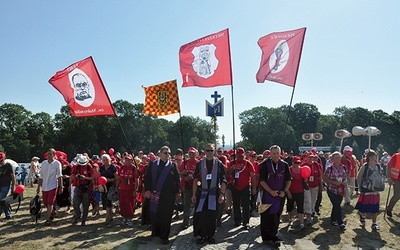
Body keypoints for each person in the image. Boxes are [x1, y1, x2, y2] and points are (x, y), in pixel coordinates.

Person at [191, 143, 227, 244]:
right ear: (204, 151)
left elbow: (224, 180)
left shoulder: (219, 164)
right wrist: (193, 194)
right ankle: (201, 235)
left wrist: (222, 194)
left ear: (214, 151)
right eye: (207, 150)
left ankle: (210, 235)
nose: (209, 153)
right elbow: (195, 179)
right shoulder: (200, 164)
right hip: (202, 192)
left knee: (212, 215)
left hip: (214, 193)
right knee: (201, 214)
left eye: (211, 150)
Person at [144, 146, 180, 245]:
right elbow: (147, 178)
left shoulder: (173, 165)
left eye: (169, 153)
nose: (167, 155)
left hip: (168, 195)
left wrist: (178, 191)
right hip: (155, 193)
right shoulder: (153, 164)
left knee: (166, 215)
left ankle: (164, 236)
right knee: (155, 213)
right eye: (165, 153)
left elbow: (177, 180)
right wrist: (147, 190)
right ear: (160, 154)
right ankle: (156, 231)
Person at [258, 145, 291, 245]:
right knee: (266, 215)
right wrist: (270, 191)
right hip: (268, 195)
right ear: (270, 154)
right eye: (273, 153)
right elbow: (262, 181)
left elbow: (288, 180)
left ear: (280, 153)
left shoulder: (284, 165)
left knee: (276, 215)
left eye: (277, 153)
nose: (275, 155)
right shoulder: (265, 164)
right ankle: (266, 237)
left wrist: (284, 191)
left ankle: (274, 235)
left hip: (280, 195)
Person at [226, 147, 256, 230]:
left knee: (246, 204)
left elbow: (253, 176)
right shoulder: (232, 163)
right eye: (239, 156)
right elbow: (227, 175)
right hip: (235, 186)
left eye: (241, 155)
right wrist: (232, 169)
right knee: (236, 204)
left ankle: (246, 222)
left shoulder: (248, 163)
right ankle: (237, 220)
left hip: (245, 186)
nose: (240, 157)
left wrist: (254, 188)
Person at [355, 150, 382, 230]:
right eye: (372, 156)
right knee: (365, 206)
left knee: (375, 207)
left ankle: (374, 223)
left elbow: (380, 177)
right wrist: (360, 187)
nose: (374, 157)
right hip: (366, 189)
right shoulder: (365, 166)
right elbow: (359, 176)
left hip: (375, 190)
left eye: (375, 156)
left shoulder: (378, 166)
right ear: (369, 157)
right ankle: (363, 216)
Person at [37, 148, 63, 226]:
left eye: (50, 154)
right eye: (48, 154)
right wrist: (38, 186)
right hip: (45, 186)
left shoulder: (57, 164)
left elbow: (59, 176)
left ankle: (48, 220)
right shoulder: (44, 163)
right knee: (45, 202)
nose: (48, 156)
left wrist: (61, 186)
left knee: (49, 203)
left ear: (54, 155)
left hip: (53, 185)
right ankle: (53, 211)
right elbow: (41, 176)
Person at [322, 151, 347, 229]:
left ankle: (333, 220)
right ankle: (340, 222)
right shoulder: (330, 168)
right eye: (336, 157)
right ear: (332, 159)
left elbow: (345, 177)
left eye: (339, 157)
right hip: (331, 189)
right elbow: (324, 178)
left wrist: (344, 182)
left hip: (340, 190)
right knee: (337, 205)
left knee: (336, 205)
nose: (338, 159)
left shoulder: (343, 167)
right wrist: (334, 182)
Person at [115, 154, 139, 227]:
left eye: (129, 160)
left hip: (130, 190)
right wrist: (116, 187)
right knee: (122, 204)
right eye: (126, 159)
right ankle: (124, 217)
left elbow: (136, 179)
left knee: (130, 204)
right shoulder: (121, 168)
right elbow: (119, 178)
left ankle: (130, 218)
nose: (127, 161)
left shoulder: (134, 168)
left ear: (132, 160)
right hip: (122, 189)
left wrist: (136, 190)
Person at [179, 147, 199, 228]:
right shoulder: (184, 163)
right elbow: (179, 173)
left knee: (196, 204)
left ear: (195, 154)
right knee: (186, 204)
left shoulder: (198, 163)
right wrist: (183, 176)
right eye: (190, 153)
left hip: (197, 186)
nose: (191, 155)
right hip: (187, 186)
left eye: (193, 154)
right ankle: (186, 221)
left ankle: (196, 220)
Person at [71, 154, 92, 226]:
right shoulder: (76, 167)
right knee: (75, 203)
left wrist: (85, 178)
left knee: (86, 205)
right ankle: (78, 216)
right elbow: (72, 176)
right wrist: (76, 176)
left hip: (86, 188)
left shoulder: (89, 167)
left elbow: (92, 178)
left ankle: (84, 219)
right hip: (78, 187)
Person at [287, 156, 306, 229]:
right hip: (291, 191)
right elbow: (286, 182)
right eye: (295, 162)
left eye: (298, 162)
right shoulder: (289, 170)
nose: (297, 164)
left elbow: (304, 179)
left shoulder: (302, 170)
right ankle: (290, 219)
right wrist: (288, 192)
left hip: (300, 191)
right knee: (290, 207)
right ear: (292, 162)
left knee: (300, 207)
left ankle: (301, 223)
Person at [100, 153, 118, 223]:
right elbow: (99, 176)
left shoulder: (113, 167)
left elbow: (116, 178)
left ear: (109, 160)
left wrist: (109, 180)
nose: (105, 161)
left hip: (111, 186)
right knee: (106, 202)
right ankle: (110, 216)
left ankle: (107, 217)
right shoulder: (101, 168)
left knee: (108, 200)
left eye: (106, 160)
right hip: (104, 187)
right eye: (104, 160)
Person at [0, 152, 16, 219]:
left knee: (1, 200)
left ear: (4, 159)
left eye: (1, 160)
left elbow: (13, 176)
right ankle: (8, 214)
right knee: (3, 201)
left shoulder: (8, 165)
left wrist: (13, 186)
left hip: (6, 185)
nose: (0, 161)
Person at [386, 150, 400, 218]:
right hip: (396, 179)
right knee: (397, 195)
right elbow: (388, 166)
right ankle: (389, 209)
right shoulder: (396, 156)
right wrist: (389, 178)